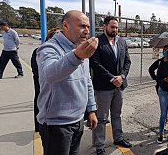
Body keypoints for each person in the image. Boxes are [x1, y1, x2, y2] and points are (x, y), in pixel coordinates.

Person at [36, 10, 98, 155]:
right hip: (56, 125)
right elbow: (49, 74)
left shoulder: (79, 47)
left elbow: (86, 80)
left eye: (88, 27)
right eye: (82, 26)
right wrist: (77, 56)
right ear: (66, 25)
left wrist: (91, 109)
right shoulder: (49, 48)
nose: (86, 31)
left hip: (78, 121)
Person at [90, 16, 132, 155]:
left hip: (119, 85)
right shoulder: (98, 42)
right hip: (103, 87)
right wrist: (111, 78)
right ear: (105, 27)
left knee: (116, 114)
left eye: (117, 27)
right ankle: (100, 146)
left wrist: (122, 77)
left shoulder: (121, 42)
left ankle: (118, 138)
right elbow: (95, 63)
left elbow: (127, 61)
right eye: (112, 27)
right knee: (101, 118)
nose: (115, 30)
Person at [31, 28, 60, 132]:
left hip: (54, 84)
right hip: (41, 82)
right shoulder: (39, 51)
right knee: (39, 101)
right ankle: (38, 127)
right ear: (50, 37)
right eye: (56, 35)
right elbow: (36, 70)